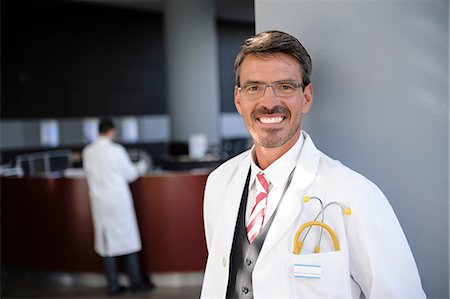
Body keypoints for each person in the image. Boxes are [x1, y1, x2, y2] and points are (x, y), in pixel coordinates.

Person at [201, 31, 425, 298]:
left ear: (306, 97)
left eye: (284, 86)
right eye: (254, 87)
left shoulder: (354, 196)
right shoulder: (219, 183)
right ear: (239, 99)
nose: (269, 102)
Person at [82, 117, 154, 296]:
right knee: (128, 242)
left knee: (107, 245)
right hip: (118, 202)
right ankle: (135, 282)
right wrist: (140, 167)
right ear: (111, 131)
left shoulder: (88, 151)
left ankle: (112, 285)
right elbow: (130, 174)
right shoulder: (116, 151)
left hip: (99, 203)